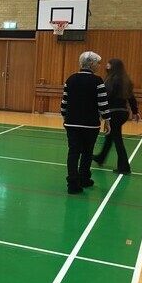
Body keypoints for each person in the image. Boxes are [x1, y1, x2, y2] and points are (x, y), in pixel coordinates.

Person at [61, 51, 111, 194]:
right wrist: (107, 120)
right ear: (90, 63)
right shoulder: (97, 81)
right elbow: (103, 103)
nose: (99, 66)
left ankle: (72, 183)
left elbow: (64, 101)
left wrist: (64, 117)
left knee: (73, 152)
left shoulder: (70, 79)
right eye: (98, 63)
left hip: (72, 123)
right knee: (87, 152)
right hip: (90, 124)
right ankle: (83, 178)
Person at [93, 58, 140, 174]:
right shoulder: (125, 80)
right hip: (123, 112)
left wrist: (100, 111)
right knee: (110, 135)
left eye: (108, 64)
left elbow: (106, 96)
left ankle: (124, 167)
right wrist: (135, 112)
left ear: (112, 66)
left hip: (113, 112)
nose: (106, 66)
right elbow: (131, 98)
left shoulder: (111, 80)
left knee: (117, 139)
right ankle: (101, 157)